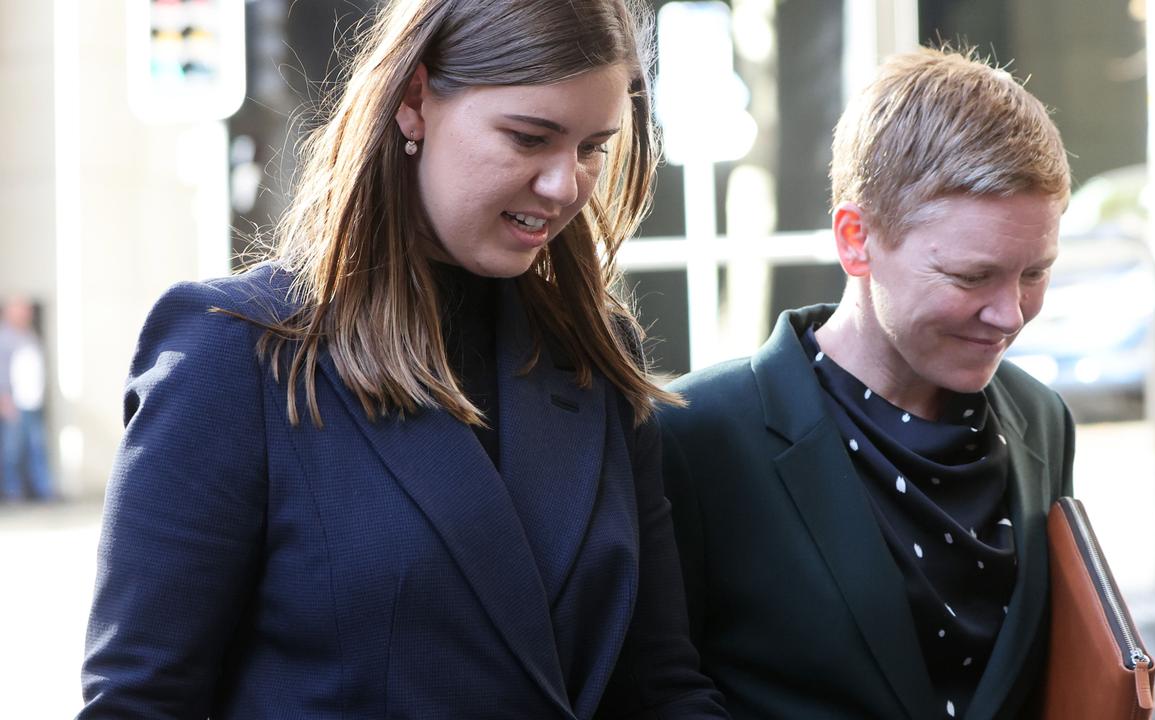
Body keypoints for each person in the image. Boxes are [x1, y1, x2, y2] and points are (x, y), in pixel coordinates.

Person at [80, 1, 727, 717]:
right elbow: (139, 702)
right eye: (529, 137)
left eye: (591, 147)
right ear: (416, 100)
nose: (565, 184)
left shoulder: (593, 353)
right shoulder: (235, 352)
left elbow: (662, 684)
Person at [659, 47, 1074, 720]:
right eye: (972, 277)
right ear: (856, 239)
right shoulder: (695, 434)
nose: (1011, 313)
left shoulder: (1040, 418)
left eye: (1036, 273)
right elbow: (657, 692)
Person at [0, 296, 55, 503]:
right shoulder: (4, 337)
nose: (27, 313)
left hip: (33, 402)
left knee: (37, 447)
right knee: (12, 451)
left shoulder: (29, 335)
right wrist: (4, 399)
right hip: (14, 403)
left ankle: (44, 491)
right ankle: (12, 492)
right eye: (21, 309)